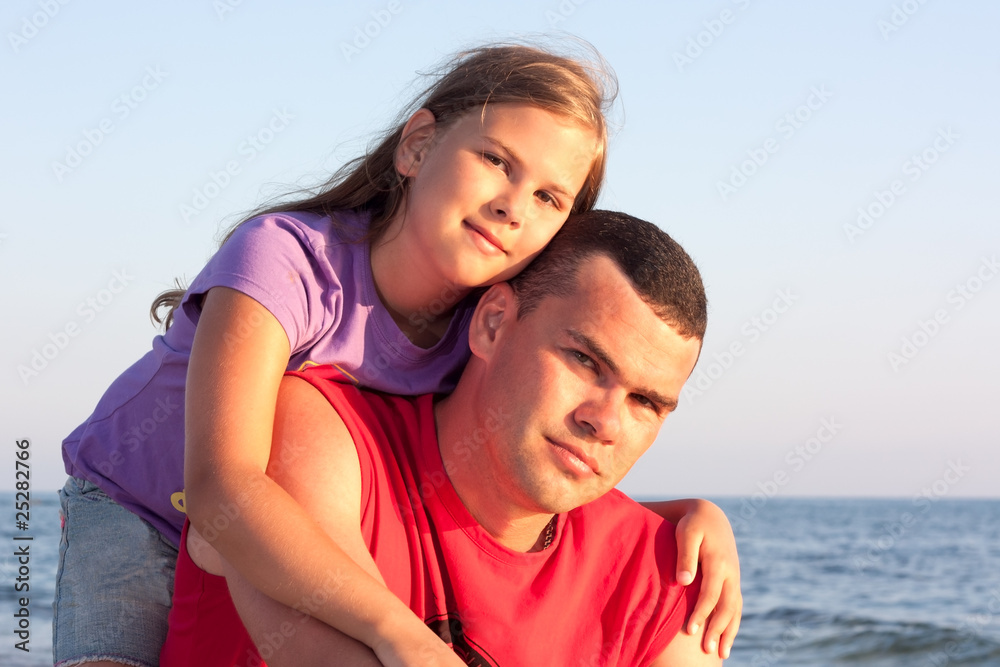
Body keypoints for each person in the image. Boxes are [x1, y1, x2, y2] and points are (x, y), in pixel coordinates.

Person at [55, 43, 739, 667]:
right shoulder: (287, 261)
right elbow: (220, 489)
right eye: (496, 160)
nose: (512, 207)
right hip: (141, 507)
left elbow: (534, 451)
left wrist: (686, 513)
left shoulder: (472, 322)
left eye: (549, 197)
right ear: (416, 146)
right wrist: (400, 631)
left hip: (258, 511)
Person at [160, 209, 729, 665]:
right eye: (584, 360)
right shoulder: (323, 438)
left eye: (646, 403)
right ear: (492, 323)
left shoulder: (666, 576)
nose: (604, 422)